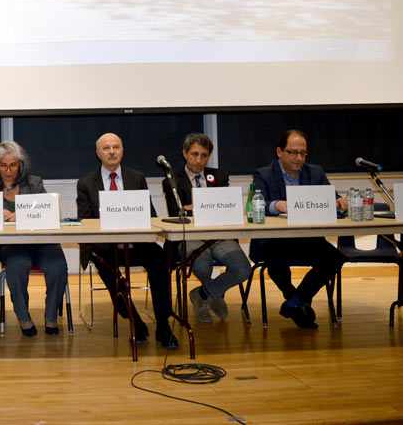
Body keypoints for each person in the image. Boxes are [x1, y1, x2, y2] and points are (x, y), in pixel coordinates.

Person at [76, 133, 179, 348]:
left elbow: (149, 214)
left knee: (160, 258)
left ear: (122, 151)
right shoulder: (86, 183)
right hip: (106, 246)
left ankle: (163, 324)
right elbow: (85, 221)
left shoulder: (137, 178)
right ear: (98, 154)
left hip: (137, 243)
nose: (112, 152)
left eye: (116, 147)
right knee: (105, 265)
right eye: (106, 148)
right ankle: (134, 319)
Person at [252, 129, 347, 329]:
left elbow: (331, 196)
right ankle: (296, 301)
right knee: (276, 263)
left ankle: (294, 302)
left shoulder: (316, 172)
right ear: (279, 152)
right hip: (275, 240)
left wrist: (339, 201)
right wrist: (277, 205)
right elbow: (257, 202)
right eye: (292, 152)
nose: (298, 157)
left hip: (307, 239)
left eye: (303, 153)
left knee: (335, 258)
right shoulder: (264, 174)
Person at [162, 133, 251, 323]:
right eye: (194, 154)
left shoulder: (219, 176)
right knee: (202, 265)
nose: (198, 160)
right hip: (191, 236)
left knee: (243, 268)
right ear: (185, 154)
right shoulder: (172, 180)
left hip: (219, 235)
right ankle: (213, 294)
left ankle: (201, 294)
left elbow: (226, 206)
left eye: (204, 155)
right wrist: (204, 206)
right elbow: (175, 213)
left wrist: (193, 207)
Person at [0, 141, 67, 337]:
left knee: (57, 265)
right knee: (16, 267)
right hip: (11, 246)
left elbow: (49, 212)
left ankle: (51, 317)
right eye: (3, 165)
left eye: (13, 165)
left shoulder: (34, 183)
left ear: (21, 165)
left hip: (42, 241)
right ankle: (24, 318)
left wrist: (22, 215)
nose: (8, 170)